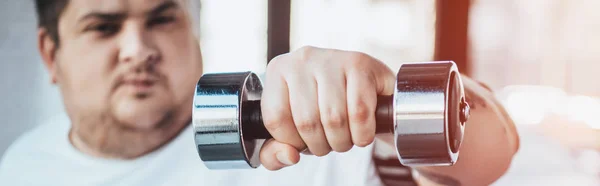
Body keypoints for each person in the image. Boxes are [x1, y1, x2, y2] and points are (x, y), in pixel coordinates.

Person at [0, 0, 519, 185]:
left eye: (162, 19)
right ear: (51, 54)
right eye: (103, 27)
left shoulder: (300, 134)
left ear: (193, 33)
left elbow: (496, 150)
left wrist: (387, 102)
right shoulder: (20, 167)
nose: (138, 49)